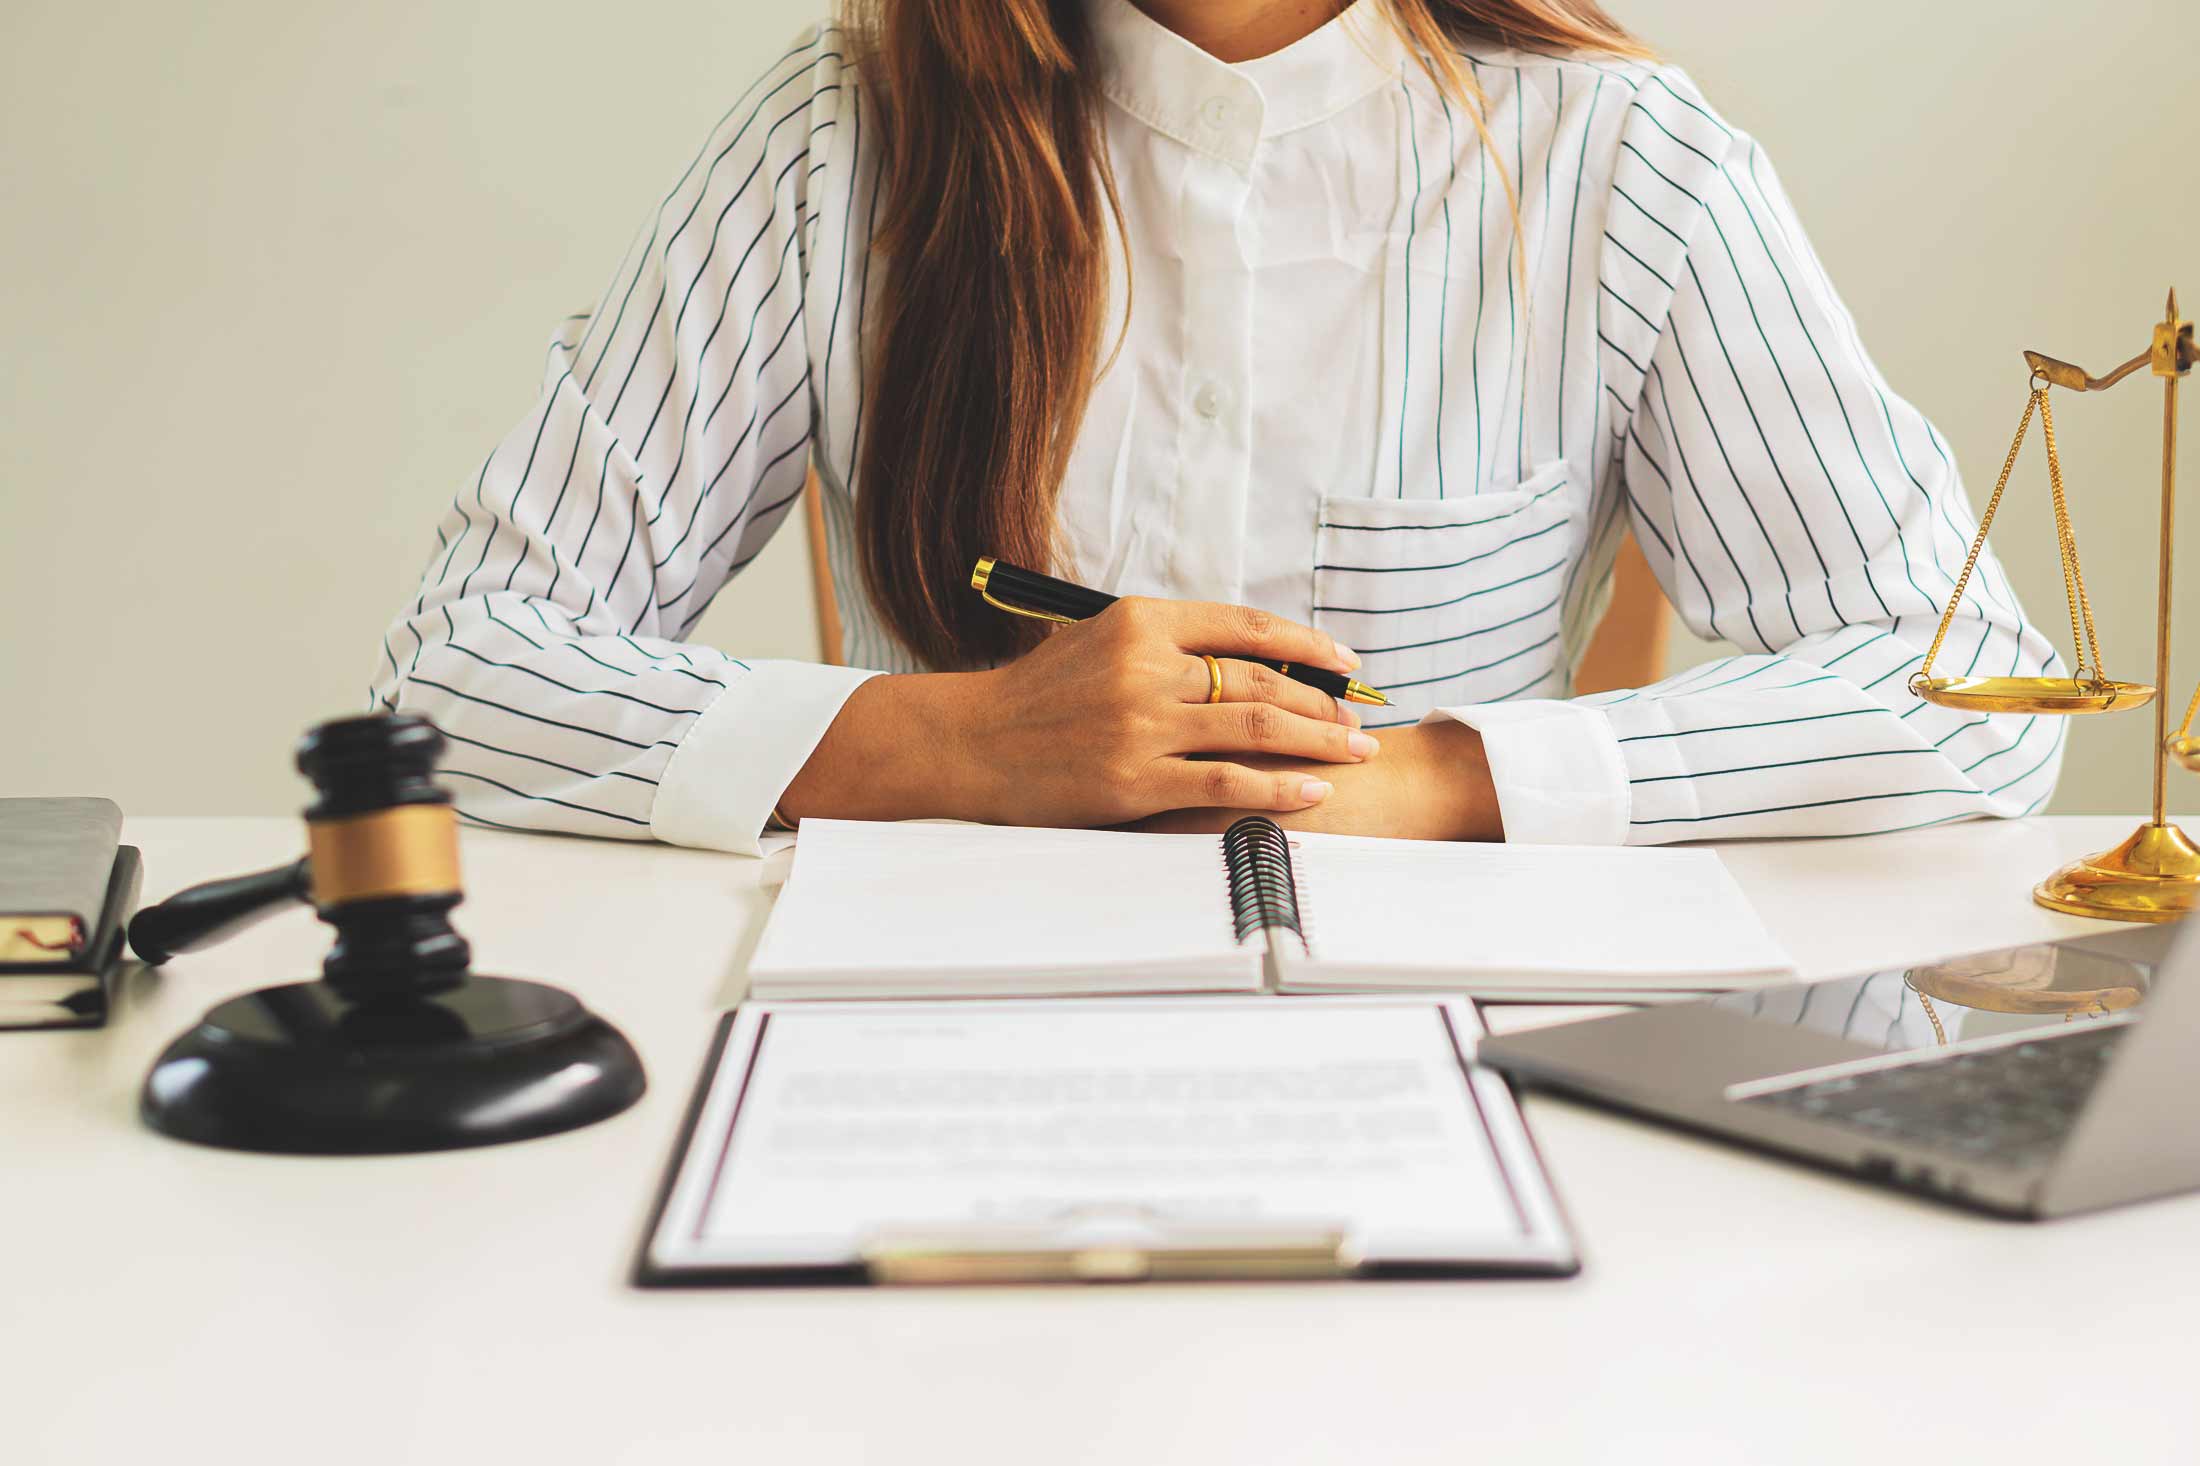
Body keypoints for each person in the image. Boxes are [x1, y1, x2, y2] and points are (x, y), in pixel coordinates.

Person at [371, 0, 2063, 855]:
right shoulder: (842, 140)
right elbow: (455, 669)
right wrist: (962, 746)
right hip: (930, 1067)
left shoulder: (1623, 163)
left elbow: (1971, 699)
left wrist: (1427, 779)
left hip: (1454, 1087)